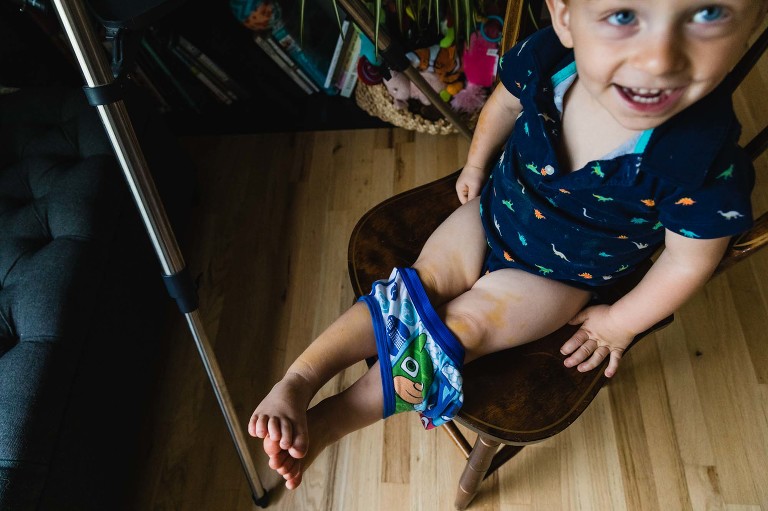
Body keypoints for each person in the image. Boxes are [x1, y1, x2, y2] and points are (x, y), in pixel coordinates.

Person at [249, 0, 767, 490]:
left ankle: (333, 421)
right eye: (624, 14)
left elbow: (689, 259)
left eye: (708, 12)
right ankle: (300, 377)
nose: (659, 58)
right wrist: (477, 164)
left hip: (558, 280)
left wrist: (620, 323)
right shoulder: (550, 59)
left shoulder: (702, 164)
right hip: (490, 214)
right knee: (415, 287)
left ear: (752, 20)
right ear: (565, 16)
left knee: (464, 328)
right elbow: (503, 102)